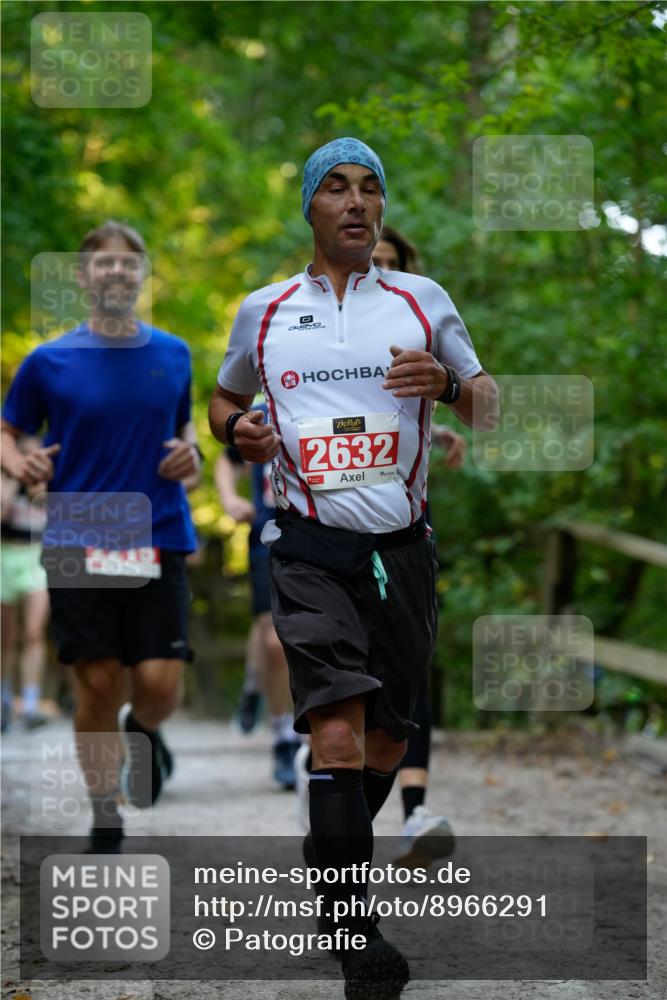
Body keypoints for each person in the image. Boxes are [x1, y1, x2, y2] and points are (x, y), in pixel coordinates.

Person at [209, 137, 498, 999]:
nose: (355, 202)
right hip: (305, 547)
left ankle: (327, 855)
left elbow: (488, 409)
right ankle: (353, 932)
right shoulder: (262, 309)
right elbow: (225, 399)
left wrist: (448, 385)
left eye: (369, 189)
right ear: (310, 206)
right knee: (335, 728)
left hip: (402, 552)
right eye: (335, 188)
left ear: (381, 209)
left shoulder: (421, 300)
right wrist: (236, 432)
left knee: (385, 739)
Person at [1, 220, 200, 853]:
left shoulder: (174, 354)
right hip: (80, 531)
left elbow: (187, 433)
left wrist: (190, 458)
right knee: (96, 680)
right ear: (84, 276)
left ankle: (144, 731)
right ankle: (104, 813)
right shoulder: (50, 360)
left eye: (128, 263)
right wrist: (19, 463)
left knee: (161, 682)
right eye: (103, 264)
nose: (117, 272)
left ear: (142, 276)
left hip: (158, 529)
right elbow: (8, 432)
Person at [372, 226, 462, 866]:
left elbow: (468, 397)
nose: (376, 269)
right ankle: (329, 781)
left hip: (407, 532)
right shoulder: (303, 325)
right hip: (323, 537)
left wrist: (446, 426)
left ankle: (414, 812)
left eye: (389, 263)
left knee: (410, 665)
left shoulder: (417, 324)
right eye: (370, 259)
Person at [214, 400, 302, 788]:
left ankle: (257, 691)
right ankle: (284, 738)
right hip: (269, 536)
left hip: (330, 533)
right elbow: (226, 459)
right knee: (273, 640)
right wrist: (229, 497)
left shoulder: (338, 392)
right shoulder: (260, 411)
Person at [1, 444, 51, 731]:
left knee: (33, 633)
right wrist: (10, 478)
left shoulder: (41, 451)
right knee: (4, 639)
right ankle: (4, 700)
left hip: (36, 555)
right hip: (4, 554)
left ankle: (30, 705)